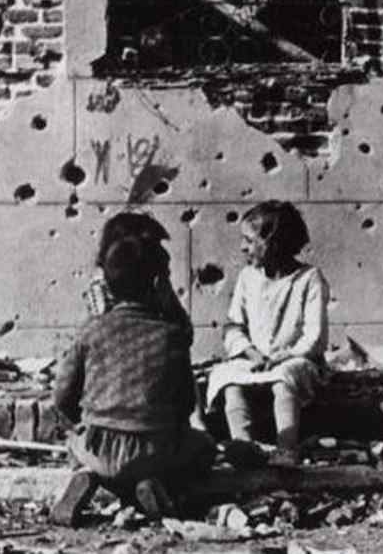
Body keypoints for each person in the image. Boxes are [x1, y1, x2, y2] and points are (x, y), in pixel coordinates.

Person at [50, 234, 214, 526]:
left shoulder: (91, 330)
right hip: (154, 450)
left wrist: (79, 424)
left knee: (74, 442)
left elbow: (62, 395)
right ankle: (154, 485)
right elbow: (186, 404)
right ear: (158, 284)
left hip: (96, 445)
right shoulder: (172, 335)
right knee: (204, 448)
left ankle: (86, 474)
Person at [205, 201, 329, 464]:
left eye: (250, 241)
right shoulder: (248, 277)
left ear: (274, 243)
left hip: (296, 359)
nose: (243, 247)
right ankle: (244, 448)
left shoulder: (309, 278)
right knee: (228, 379)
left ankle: (286, 449)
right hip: (256, 359)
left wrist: (284, 356)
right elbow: (234, 326)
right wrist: (252, 353)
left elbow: (314, 336)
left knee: (285, 378)